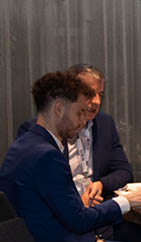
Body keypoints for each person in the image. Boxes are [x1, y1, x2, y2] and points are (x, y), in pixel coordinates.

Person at [0, 71, 141, 242]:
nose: (84, 121)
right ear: (59, 108)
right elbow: (79, 220)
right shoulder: (46, 156)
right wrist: (126, 202)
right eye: (80, 112)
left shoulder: (23, 146)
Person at [17, 63, 133, 207]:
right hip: (65, 211)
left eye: (101, 95)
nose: (97, 101)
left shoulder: (105, 124)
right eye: (89, 94)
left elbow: (124, 172)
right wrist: (78, 203)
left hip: (97, 208)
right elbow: (40, 190)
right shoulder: (42, 130)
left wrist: (100, 184)